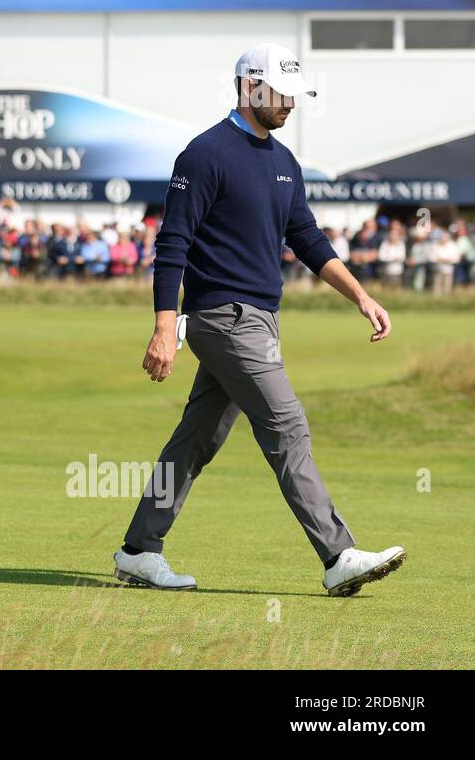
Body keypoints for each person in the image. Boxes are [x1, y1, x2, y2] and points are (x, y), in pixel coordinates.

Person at [120, 43, 404, 597]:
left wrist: (361, 297)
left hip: (261, 320)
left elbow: (308, 239)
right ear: (250, 87)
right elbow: (172, 242)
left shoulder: (283, 163)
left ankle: (137, 551)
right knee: (286, 424)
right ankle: (338, 554)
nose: (291, 105)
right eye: (282, 93)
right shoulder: (204, 155)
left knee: (196, 439)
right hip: (223, 318)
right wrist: (163, 326)